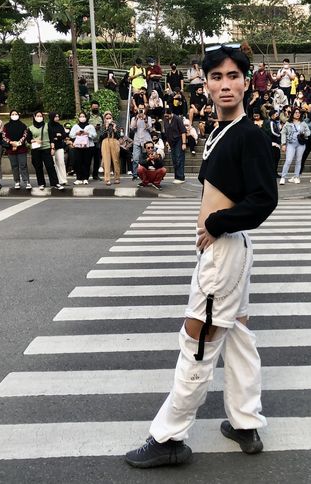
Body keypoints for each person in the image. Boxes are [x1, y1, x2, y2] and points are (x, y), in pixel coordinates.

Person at [125, 44, 278, 469]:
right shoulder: (217, 131)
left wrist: (216, 224)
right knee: (240, 336)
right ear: (205, 83)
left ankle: (168, 436)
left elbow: (265, 200)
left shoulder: (250, 134)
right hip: (229, 252)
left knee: (198, 342)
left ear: (246, 81)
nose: (225, 84)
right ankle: (245, 422)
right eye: (217, 77)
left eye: (233, 76)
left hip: (226, 253)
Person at [28, 111, 63, 191]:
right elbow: (28, 140)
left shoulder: (47, 126)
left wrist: (52, 148)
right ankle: (41, 183)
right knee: (38, 167)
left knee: (50, 166)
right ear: (34, 116)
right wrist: (35, 140)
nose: (39, 117)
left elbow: (51, 137)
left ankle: (55, 183)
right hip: (36, 150)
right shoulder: (30, 128)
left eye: (41, 116)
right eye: (37, 116)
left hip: (46, 148)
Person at [279, 107, 310, 185]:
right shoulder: (288, 123)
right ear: (292, 114)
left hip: (301, 144)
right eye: (296, 112)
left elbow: (308, 132)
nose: (297, 114)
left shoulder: (303, 123)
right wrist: (283, 144)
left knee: (298, 161)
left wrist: (304, 134)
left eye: (299, 113)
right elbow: (283, 133)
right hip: (291, 144)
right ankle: (283, 177)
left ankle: (296, 177)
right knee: (288, 160)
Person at [2, 110, 30, 189]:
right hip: (11, 149)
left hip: (21, 149)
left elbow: (25, 135)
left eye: (16, 114)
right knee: (14, 166)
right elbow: (4, 136)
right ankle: (17, 181)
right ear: (10, 115)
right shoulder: (6, 126)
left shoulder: (23, 125)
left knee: (23, 165)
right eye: (12, 114)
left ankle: (26, 181)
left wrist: (17, 144)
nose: (14, 115)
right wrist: (11, 143)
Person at [69, 111, 97, 185]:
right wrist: (76, 133)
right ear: (78, 118)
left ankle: (85, 178)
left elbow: (94, 135)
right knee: (78, 162)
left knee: (86, 162)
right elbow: (71, 135)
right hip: (78, 147)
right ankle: (79, 178)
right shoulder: (75, 126)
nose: (82, 118)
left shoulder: (90, 126)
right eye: (80, 116)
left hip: (89, 147)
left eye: (83, 116)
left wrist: (88, 134)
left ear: (86, 117)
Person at [161, 108, 188, 184]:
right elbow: (166, 132)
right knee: (174, 159)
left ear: (170, 114)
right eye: (165, 116)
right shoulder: (166, 120)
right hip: (171, 141)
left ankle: (181, 177)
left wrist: (184, 143)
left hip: (178, 140)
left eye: (167, 116)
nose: (166, 117)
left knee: (179, 158)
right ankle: (177, 176)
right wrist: (167, 142)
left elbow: (183, 131)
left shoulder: (177, 119)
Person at [130, 105, 154, 181]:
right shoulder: (134, 118)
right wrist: (137, 119)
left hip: (146, 141)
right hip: (137, 140)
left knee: (147, 158)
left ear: (144, 110)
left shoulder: (148, 118)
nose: (141, 110)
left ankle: (147, 173)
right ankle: (135, 175)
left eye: (142, 109)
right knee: (135, 158)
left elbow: (150, 129)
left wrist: (145, 120)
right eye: (139, 109)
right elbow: (132, 128)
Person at [98, 111, 122, 185]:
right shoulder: (102, 126)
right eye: (107, 118)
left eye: (110, 118)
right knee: (106, 160)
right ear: (104, 118)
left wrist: (114, 129)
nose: (108, 119)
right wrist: (106, 127)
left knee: (116, 160)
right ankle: (107, 179)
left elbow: (119, 136)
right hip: (105, 141)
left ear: (112, 118)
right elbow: (101, 136)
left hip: (114, 141)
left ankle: (117, 178)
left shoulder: (116, 125)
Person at [48, 112, 69, 186]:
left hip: (60, 146)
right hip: (52, 147)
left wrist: (58, 137)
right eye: (55, 116)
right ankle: (57, 180)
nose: (57, 118)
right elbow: (50, 136)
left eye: (58, 116)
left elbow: (63, 135)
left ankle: (64, 180)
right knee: (54, 164)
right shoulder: (48, 126)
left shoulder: (60, 126)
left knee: (61, 163)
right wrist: (56, 136)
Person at [88, 101, 103, 180]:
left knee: (97, 159)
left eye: (96, 108)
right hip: (89, 141)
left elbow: (103, 126)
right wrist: (93, 127)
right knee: (88, 159)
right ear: (91, 107)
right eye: (94, 107)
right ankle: (86, 175)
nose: (95, 109)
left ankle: (95, 175)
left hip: (98, 141)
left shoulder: (101, 116)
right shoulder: (87, 116)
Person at [264, 109, 282, 175]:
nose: (277, 115)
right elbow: (272, 132)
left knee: (277, 158)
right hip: (273, 143)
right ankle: (272, 173)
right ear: (272, 115)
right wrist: (279, 135)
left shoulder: (275, 122)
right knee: (274, 158)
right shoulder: (271, 122)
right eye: (276, 114)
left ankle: (274, 172)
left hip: (277, 143)